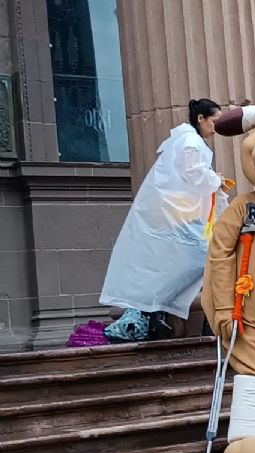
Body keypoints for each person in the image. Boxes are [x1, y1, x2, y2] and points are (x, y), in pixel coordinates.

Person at [100, 98, 228, 340]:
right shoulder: (191, 142)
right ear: (201, 119)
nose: (216, 128)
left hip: (175, 214)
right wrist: (216, 180)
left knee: (180, 263)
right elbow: (196, 177)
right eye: (214, 122)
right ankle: (154, 308)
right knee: (202, 260)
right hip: (181, 216)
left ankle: (154, 309)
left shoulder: (181, 140)